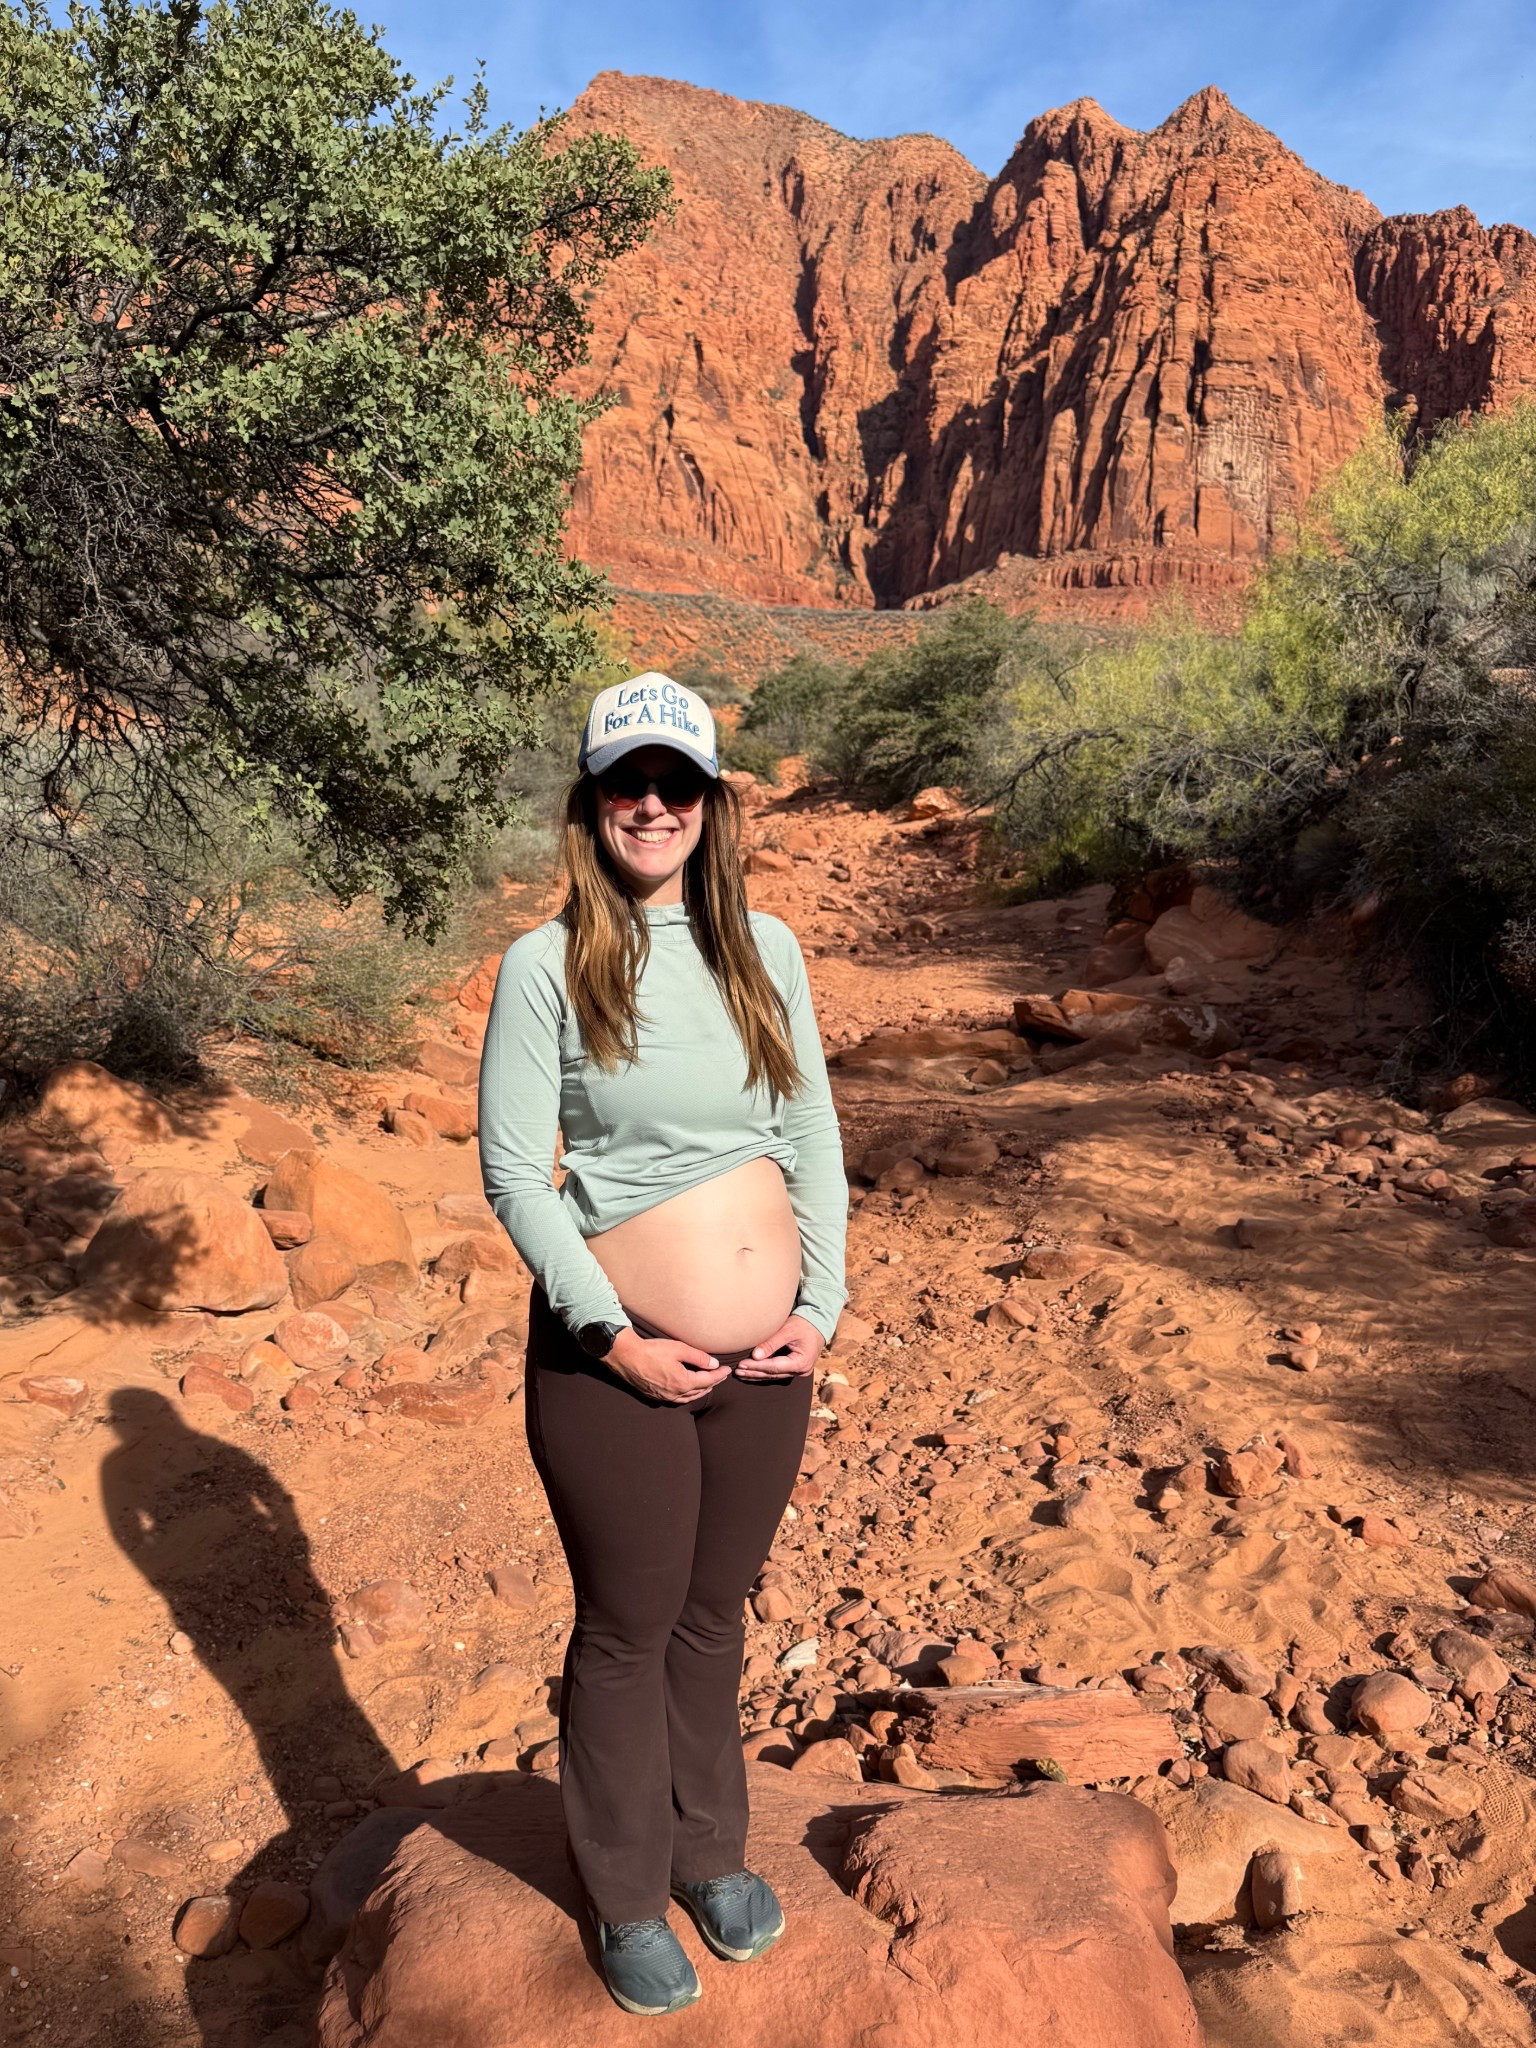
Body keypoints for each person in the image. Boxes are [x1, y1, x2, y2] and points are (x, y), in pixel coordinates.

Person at [478, 673, 847, 2018]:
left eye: (677, 783)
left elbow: (806, 1135)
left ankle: (710, 1855)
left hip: (765, 1368)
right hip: (614, 1362)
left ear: (710, 804)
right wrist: (613, 1337)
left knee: (712, 1613)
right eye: (628, 782)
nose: (652, 804)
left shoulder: (768, 949)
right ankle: (629, 1896)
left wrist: (822, 1305)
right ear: (592, 802)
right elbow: (520, 1176)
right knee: (628, 1629)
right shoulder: (545, 964)